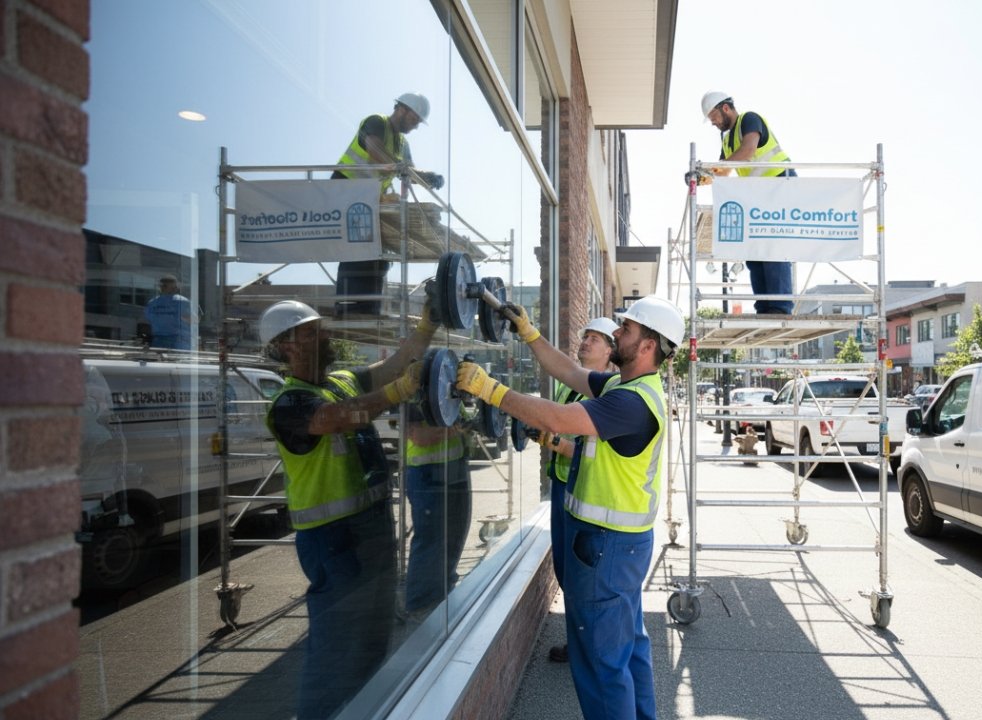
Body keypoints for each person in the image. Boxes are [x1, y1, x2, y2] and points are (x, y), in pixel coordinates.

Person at [452, 296, 684, 720]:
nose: (617, 333)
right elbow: (571, 373)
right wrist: (530, 334)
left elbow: (558, 418)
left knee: (600, 664)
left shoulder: (631, 403)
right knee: (627, 650)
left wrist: (490, 389)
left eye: (626, 330)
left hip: (607, 548)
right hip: (620, 548)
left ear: (649, 346)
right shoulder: (626, 386)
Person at [259, 298, 435, 719]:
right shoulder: (288, 404)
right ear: (287, 346)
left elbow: (393, 368)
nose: (324, 334)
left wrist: (427, 327)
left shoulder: (340, 379)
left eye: (320, 327)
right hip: (333, 542)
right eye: (310, 331)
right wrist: (395, 393)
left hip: (369, 531)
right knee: (337, 651)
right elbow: (335, 419)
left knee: (373, 640)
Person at [537, 316, 620, 664]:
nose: (585, 342)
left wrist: (557, 443)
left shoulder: (610, 391)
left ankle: (587, 646)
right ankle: (580, 641)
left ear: (609, 353)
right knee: (563, 567)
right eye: (585, 336)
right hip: (562, 484)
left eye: (595, 339)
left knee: (581, 574)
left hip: (583, 490)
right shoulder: (568, 385)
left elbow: (597, 452)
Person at [332, 92, 443, 316]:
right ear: (401, 109)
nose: (415, 127)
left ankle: (368, 308)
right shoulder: (377, 122)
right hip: (346, 188)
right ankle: (348, 308)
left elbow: (409, 172)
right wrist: (402, 168)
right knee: (358, 250)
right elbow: (375, 151)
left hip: (367, 199)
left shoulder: (403, 143)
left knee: (377, 253)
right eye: (414, 120)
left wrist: (427, 178)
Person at [701, 90, 795, 315]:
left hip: (779, 183)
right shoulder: (727, 139)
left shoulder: (749, 119)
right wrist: (702, 176)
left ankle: (780, 307)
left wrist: (715, 169)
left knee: (774, 248)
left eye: (713, 116)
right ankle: (764, 306)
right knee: (755, 251)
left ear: (725, 108)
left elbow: (748, 150)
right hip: (758, 194)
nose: (713, 123)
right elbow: (722, 171)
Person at [402, 415, 471, 621]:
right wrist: (455, 430)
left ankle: (442, 595)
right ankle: (420, 605)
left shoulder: (448, 384)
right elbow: (419, 436)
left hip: (453, 467)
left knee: (453, 535)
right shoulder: (417, 388)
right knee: (431, 539)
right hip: (427, 471)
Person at [145, 274, 197, 349]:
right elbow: (193, 320)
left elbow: (148, 320)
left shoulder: (152, 303)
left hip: (160, 341)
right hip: (178, 341)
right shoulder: (183, 302)